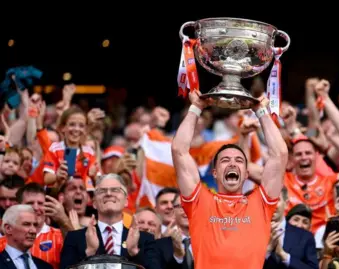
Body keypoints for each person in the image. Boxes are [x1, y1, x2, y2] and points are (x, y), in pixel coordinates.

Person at [171, 91, 288, 269]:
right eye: (225, 160)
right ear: (215, 173)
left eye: (239, 161)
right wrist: (196, 107)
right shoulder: (199, 201)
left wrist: (261, 111)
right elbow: (179, 150)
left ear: (247, 173)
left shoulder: (261, 203)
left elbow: (279, 155)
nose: (232, 164)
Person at [59, 173, 154, 269]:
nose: (109, 194)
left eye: (115, 190)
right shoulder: (74, 238)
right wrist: (89, 252)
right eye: (102, 191)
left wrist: (134, 251)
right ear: (94, 203)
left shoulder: (145, 239)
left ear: (126, 201)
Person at [0, 204, 52, 269]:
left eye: (35, 225)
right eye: (26, 224)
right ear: (8, 228)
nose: (33, 231)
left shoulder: (46, 266)